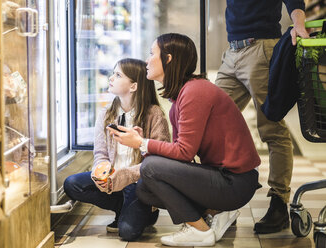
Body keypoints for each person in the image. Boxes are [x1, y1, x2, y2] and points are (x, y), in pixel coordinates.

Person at [107, 33, 260, 247]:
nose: (147, 60)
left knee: (149, 168)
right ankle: (215, 212)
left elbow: (184, 152)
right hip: (222, 177)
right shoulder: (183, 93)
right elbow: (180, 158)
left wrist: (142, 144)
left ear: (168, 59)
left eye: (152, 54)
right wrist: (143, 144)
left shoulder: (195, 92)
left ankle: (199, 230)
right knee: (144, 187)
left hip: (235, 182)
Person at [214, 0, 309, 234]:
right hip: (231, 52)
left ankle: (279, 202)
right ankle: (226, 200)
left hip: (260, 49)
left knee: (272, 128)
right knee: (212, 120)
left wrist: (298, 23)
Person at [63, 58, 170, 241]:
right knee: (72, 184)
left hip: (138, 185)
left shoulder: (154, 115)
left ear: (134, 86)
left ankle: (145, 212)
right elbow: (100, 154)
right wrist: (102, 172)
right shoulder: (106, 114)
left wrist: (124, 175)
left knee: (128, 233)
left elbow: (158, 161)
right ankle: (123, 208)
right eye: (113, 73)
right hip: (113, 181)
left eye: (118, 75)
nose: (111, 78)